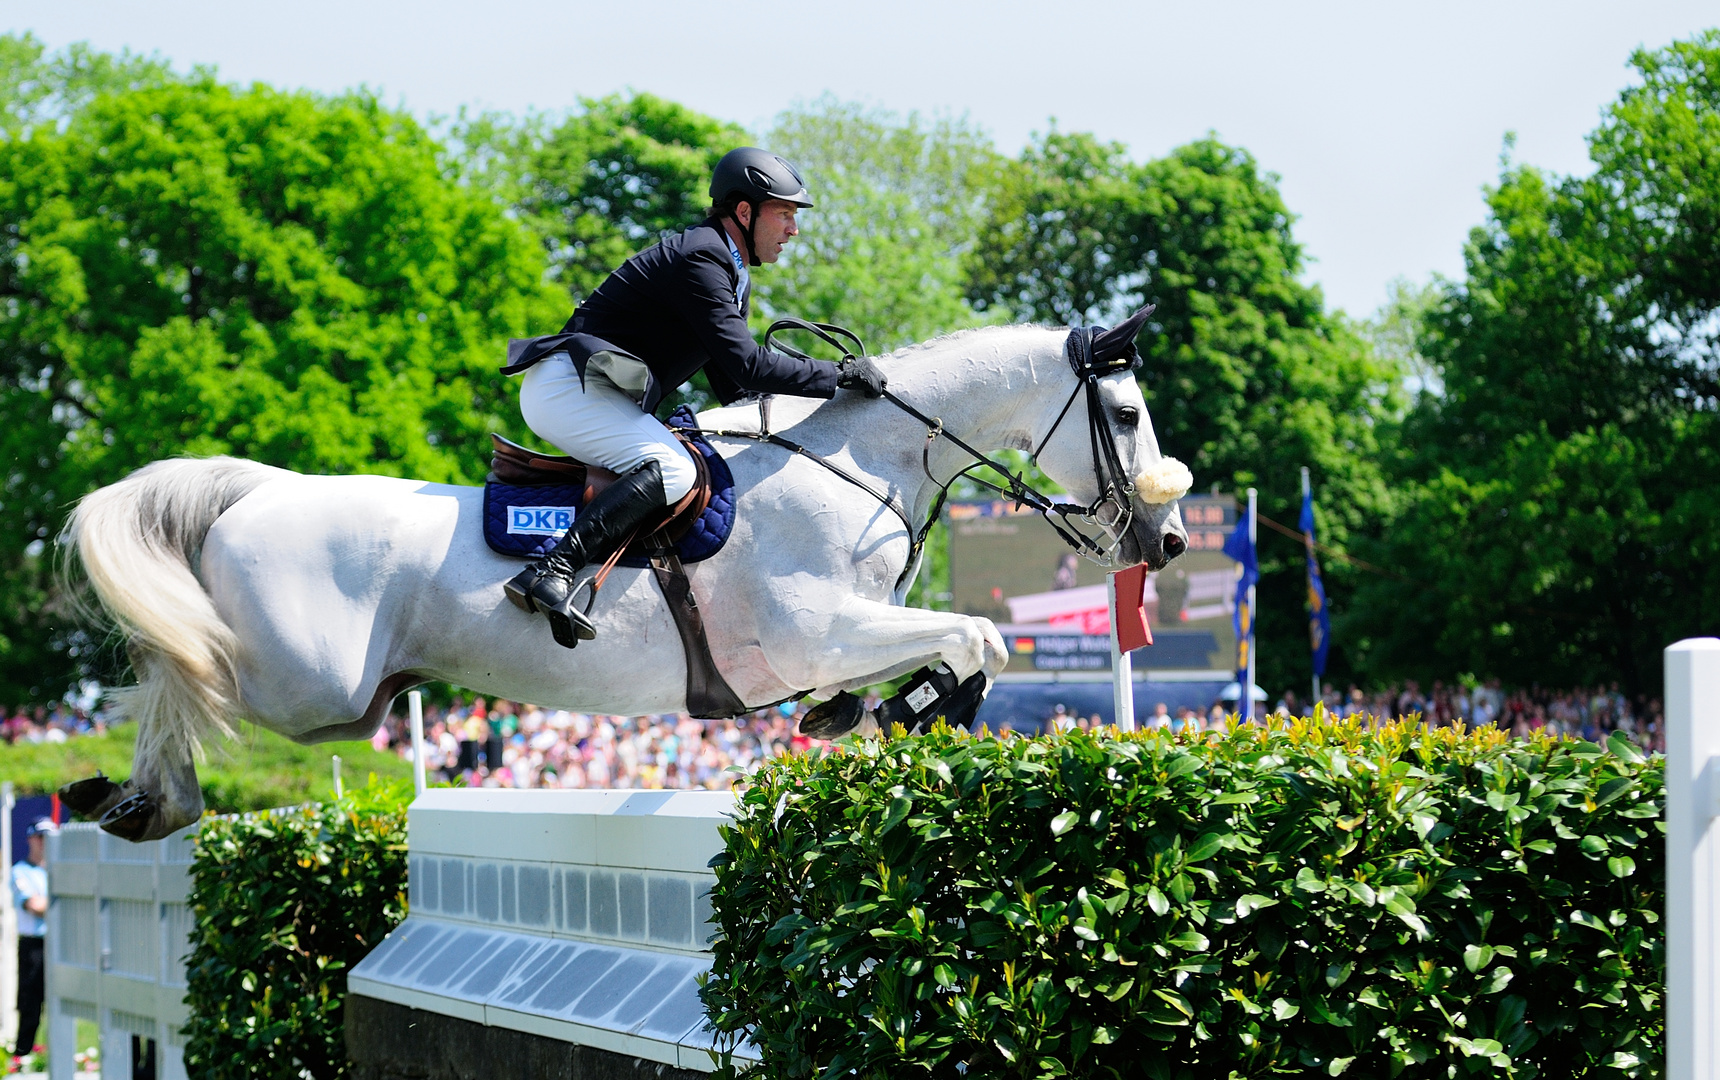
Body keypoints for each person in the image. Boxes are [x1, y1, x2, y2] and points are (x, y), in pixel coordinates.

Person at [499, 147, 889, 648]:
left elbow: (735, 387)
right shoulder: (701, 257)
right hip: (568, 388)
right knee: (677, 469)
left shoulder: (728, 270)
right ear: (744, 212)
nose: (794, 230)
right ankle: (552, 569)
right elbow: (748, 363)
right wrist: (838, 375)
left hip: (588, 391)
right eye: (785, 214)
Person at [11, 819, 52, 1064]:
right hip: (33, 946)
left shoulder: (61, 871)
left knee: (59, 1004)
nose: (45, 844)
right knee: (30, 1005)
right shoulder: (21, 871)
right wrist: (61, 902)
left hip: (58, 944)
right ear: (30, 839)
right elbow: (34, 905)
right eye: (40, 838)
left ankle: (54, 1056)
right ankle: (22, 1058)